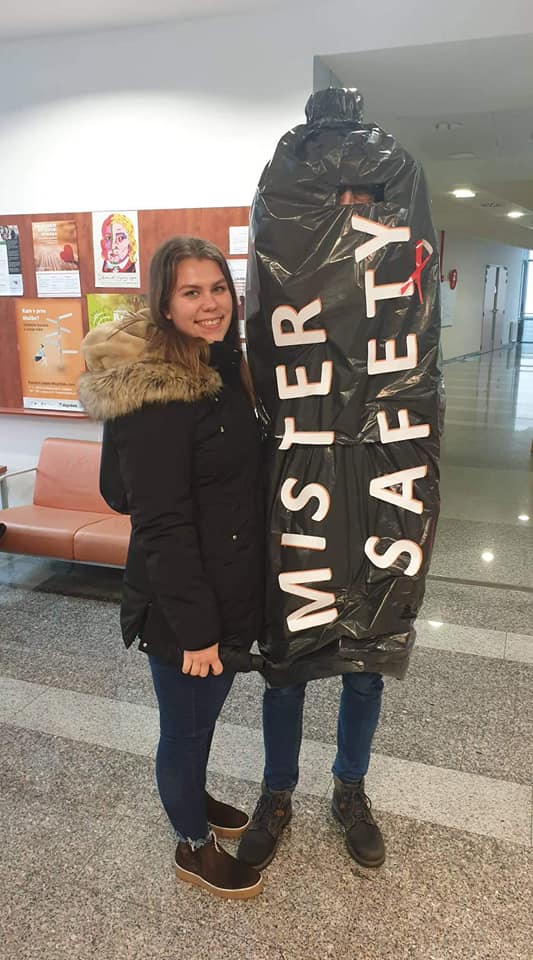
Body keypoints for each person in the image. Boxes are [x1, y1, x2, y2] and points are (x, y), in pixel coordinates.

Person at [78, 236, 265, 900]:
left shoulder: (222, 367)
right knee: (182, 730)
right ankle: (191, 842)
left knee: (199, 722)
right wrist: (195, 631)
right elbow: (158, 521)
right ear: (163, 302)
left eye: (218, 289)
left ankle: (195, 793)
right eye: (191, 292)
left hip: (226, 587)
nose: (210, 304)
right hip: (183, 608)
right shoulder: (157, 393)